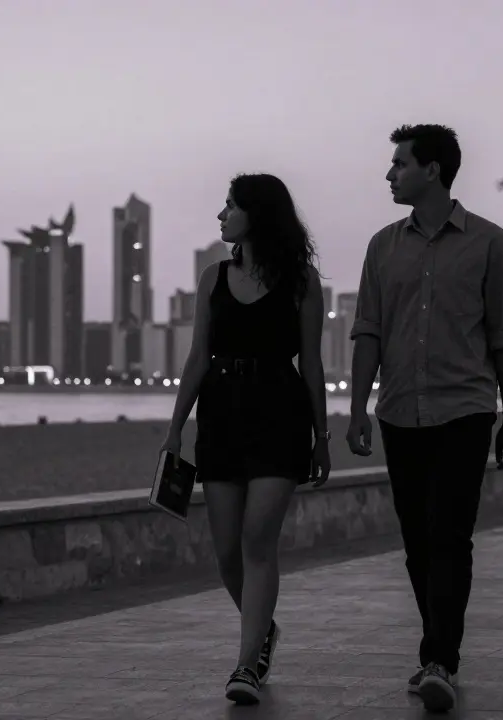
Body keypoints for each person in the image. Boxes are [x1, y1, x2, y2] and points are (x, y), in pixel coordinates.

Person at [346, 124, 503, 713]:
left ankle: (439, 657)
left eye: (399, 164)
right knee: (418, 543)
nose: (389, 174)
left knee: (450, 536)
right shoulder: (381, 246)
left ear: (433, 170)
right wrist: (355, 411)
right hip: (399, 411)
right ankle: (437, 654)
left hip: (465, 409)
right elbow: (368, 330)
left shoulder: (491, 243)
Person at [160, 173, 331, 705]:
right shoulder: (213, 278)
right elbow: (196, 359)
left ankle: (245, 666)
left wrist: (322, 436)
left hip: (280, 413)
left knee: (259, 542)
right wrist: (174, 429)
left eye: (229, 205)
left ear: (256, 212)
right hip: (221, 416)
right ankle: (264, 634)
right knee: (227, 551)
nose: (221, 214)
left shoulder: (302, 281)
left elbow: (313, 362)